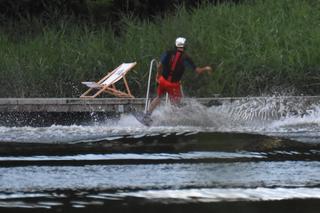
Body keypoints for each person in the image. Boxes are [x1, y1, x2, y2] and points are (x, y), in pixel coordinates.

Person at [146, 37, 213, 115]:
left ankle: (147, 114)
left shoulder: (168, 53)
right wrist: (206, 68)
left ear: (175, 44)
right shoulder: (186, 58)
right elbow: (198, 70)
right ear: (185, 46)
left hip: (163, 81)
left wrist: (158, 76)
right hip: (173, 85)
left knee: (158, 97)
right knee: (176, 104)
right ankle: (174, 119)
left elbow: (160, 66)